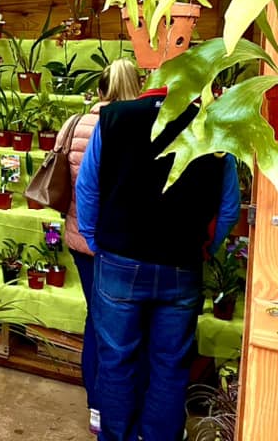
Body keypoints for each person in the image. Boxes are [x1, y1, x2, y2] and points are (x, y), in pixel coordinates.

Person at [75, 74, 239, 441]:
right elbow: (228, 207)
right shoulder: (212, 125)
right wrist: (206, 249)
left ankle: (116, 436)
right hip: (181, 263)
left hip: (118, 259)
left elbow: (87, 187)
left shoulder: (114, 117)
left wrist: (95, 242)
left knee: (116, 361)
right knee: (170, 365)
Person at [56, 58, 140, 436]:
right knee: (117, 325)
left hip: (78, 236)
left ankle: (96, 404)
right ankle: (115, 404)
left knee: (96, 319)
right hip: (119, 240)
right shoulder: (135, 125)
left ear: (101, 85)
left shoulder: (75, 123)